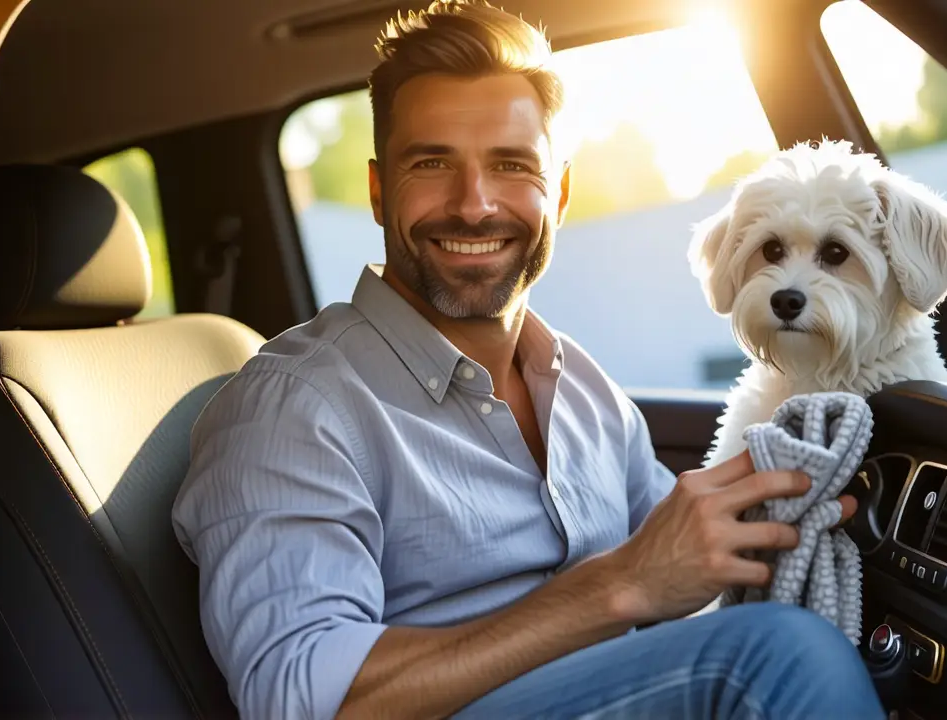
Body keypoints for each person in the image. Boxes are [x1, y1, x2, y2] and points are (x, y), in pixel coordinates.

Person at [171, 1, 885, 718]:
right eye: (431, 163)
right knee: (780, 658)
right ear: (379, 191)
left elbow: (680, 574)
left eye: (511, 165)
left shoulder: (584, 390)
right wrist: (617, 587)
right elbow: (300, 701)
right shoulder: (293, 409)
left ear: (560, 193)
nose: (474, 205)